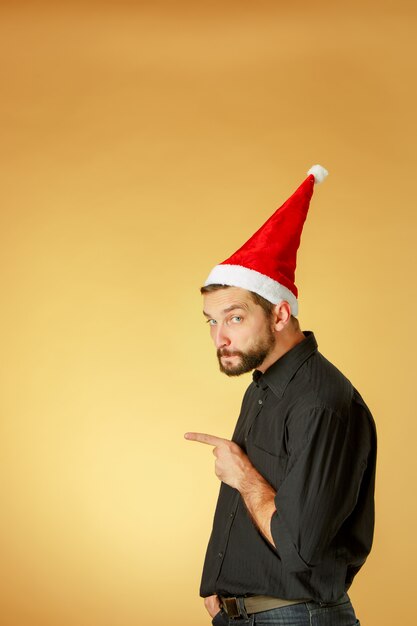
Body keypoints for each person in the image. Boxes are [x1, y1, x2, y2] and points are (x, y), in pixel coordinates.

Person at [185, 166, 377, 626]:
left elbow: (299, 547)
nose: (219, 337)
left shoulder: (321, 401)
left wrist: (243, 474)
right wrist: (223, 594)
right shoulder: (265, 385)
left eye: (233, 318)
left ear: (280, 313)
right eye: (211, 321)